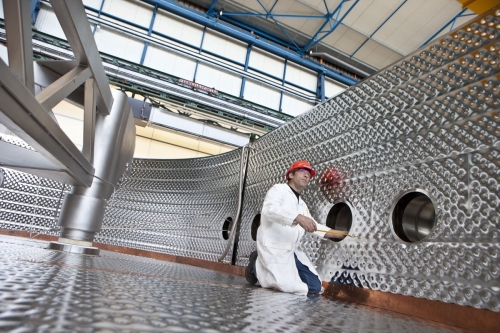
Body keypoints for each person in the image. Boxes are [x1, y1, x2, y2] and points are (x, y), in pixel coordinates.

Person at [245, 160, 345, 296]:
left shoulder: (301, 204)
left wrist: (337, 234)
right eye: (303, 172)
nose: (307, 176)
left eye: (309, 175)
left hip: (291, 251)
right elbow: (270, 210)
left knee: (314, 287)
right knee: (286, 286)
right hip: (274, 248)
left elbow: (314, 225)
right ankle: (255, 266)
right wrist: (297, 217)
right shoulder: (278, 189)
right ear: (291, 175)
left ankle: (278, 271)